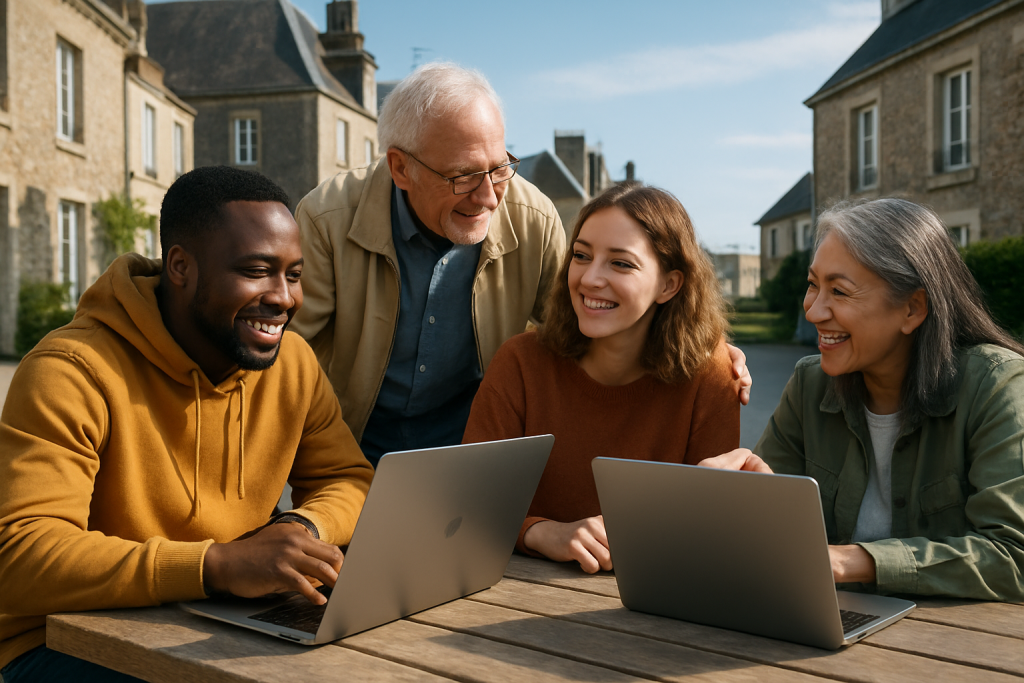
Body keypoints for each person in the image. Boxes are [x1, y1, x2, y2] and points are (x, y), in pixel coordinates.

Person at [0, 167, 374, 682]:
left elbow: (348, 479)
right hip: (63, 639)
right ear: (181, 266)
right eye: (257, 270)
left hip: (224, 616)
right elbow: (21, 555)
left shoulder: (292, 363)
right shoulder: (71, 371)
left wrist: (300, 527)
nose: (284, 298)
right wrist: (216, 566)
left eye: (292, 274)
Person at [291, 62, 752, 466]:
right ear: (400, 168)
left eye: (499, 166)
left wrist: (707, 348)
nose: (489, 196)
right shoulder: (326, 219)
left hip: (478, 460)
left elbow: (589, 315)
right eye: (464, 177)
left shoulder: (532, 217)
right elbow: (286, 358)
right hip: (355, 459)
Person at [702, 198, 1024, 601]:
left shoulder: (998, 386)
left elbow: (1013, 556)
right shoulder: (810, 383)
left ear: (912, 308)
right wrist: (747, 504)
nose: (814, 310)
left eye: (839, 291)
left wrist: (847, 561)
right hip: (820, 635)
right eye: (813, 284)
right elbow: (767, 546)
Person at [463, 184, 741, 574]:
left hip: (657, 604)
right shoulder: (520, 362)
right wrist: (539, 532)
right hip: (515, 594)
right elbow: (469, 501)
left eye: (620, 263)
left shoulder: (711, 376)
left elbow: (713, 525)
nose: (590, 278)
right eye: (581, 255)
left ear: (669, 284)